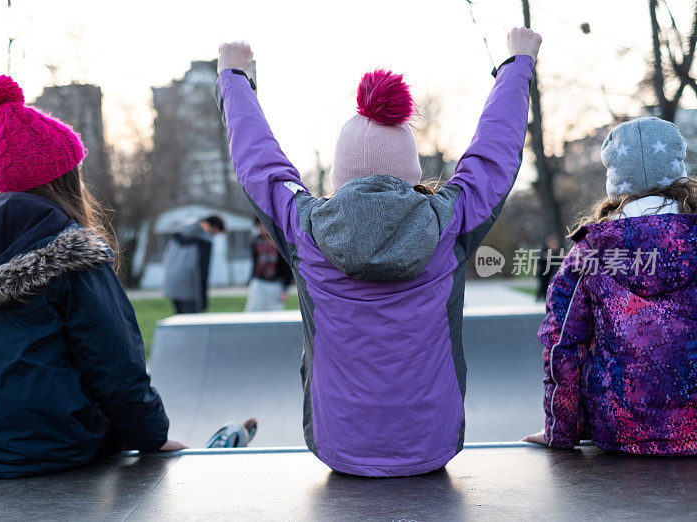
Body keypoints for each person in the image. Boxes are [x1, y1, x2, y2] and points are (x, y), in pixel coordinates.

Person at [215, 28, 540, 476]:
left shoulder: (303, 227)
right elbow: (492, 157)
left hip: (339, 448)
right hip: (433, 445)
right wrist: (517, 65)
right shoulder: (450, 221)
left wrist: (233, 78)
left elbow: (261, 164)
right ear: (411, 173)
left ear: (338, 177)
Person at [0, 75, 185, 479]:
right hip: (60, 452)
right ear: (67, 180)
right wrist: (153, 436)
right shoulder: (74, 252)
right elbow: (116, 367)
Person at [524, 117, 697, 455]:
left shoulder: (590, 251)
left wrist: (560, 431)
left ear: (615, 181)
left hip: (620, 430)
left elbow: (563, 345)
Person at [162, 215, 225, 314]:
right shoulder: (204, 242)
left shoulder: (178, 233)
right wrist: (203, 300)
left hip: (171, 284)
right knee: (192, 322)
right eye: (216, 233)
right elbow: (203, 271)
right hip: (190, 289)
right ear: (214, 227)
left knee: (179, 319)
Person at [245, 218, 293, 311]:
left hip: (276, 283)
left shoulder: (281, 242)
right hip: (259, 282)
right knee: (253, 312)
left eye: (263, 225)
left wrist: (285, 289)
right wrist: (251, 280)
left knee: (275, 313)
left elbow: (288, 267)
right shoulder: (256, 241)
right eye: (259, 225)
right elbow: (255, 263)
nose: (261, 228)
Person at [536, 234, 561, 301]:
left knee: (551, 285)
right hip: (543, 272)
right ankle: (540, 298)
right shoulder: (544, 250)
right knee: (543, 285)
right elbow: (539, 260)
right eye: (552, 243)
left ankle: (548, 298)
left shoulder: (557, 252)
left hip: (552, 272)